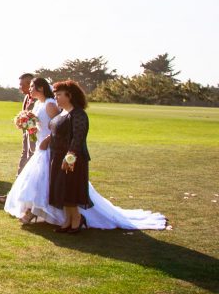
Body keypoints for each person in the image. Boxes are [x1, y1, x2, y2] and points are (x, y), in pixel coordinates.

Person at [49, 80, 166, 231]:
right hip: (57, 155)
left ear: (69, 95)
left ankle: (77, 219)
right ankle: (68, 220)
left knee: (71, 190)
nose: (56, 98)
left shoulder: (78, 114)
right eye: (55, 95)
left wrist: (69, 157)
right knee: (62, 189)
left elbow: (78, 138)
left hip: (73, 158)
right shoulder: (61, 113)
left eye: (59, 95)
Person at [4, 77, 63, 224]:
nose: (29, 89)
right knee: (34, 179)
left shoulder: (50, 104)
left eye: (31, 86)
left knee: (40, 180)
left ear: (41, 88)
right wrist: (27, 124)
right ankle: (32, 210)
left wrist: (46, 141)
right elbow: (38, 124)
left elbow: (59, 127)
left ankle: (32, 211)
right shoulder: (37, 104)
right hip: (39, 146)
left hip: (48, 148)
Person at [16, 73, 35, 173]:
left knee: (31, 154)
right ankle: (20, 178)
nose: (20, 87)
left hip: (34, 134)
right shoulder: (26, 98)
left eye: (21, 85)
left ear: (29, 84)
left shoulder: (38, 99)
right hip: (26, 131)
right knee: (25, 152)